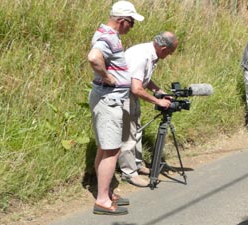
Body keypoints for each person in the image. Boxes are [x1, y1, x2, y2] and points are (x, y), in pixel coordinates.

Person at [87, 0, 144, 215]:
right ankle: (102, 199)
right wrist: (107, 76)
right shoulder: (107, 37)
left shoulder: (109, 34)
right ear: (121, 20)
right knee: (111, 150)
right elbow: (93, 57)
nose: (132, 27)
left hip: (108, 99)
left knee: (106, 148)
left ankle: (107, 192)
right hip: (108, 99)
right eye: (131, 22)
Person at [118, 31, 178, 187]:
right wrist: (158, 102)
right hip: (125, 96)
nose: (169, 56)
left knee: (136, 130)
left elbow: (143, 78)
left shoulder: (150, 53)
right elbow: (136, 88)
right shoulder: (142, 56)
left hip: (132, 95)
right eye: (170, 53)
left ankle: (137, 164)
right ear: (164, 48)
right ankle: (129, 172)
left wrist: (158, 90)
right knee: (128, 134)